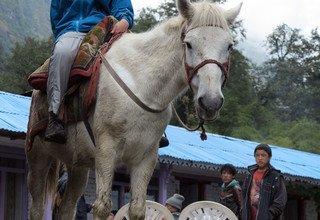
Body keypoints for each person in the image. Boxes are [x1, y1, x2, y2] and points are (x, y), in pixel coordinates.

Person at [45, 0, 134, 143]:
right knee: (62, 53)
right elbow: (56, 14)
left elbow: (121, 3)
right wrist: (63, 32)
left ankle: (146, 119)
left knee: (133, 52)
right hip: (72, 30)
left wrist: (124, 19)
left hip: (104, 29)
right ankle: (55, 116)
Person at [241, 144, 287, 220]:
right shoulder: (250, 175)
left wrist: (268, 215)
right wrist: (243, 211)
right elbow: (243, 195)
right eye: (257, 155)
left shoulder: (275, 176)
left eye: (263, 155)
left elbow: (280, 201)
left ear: (269, 157)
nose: (260, 158)